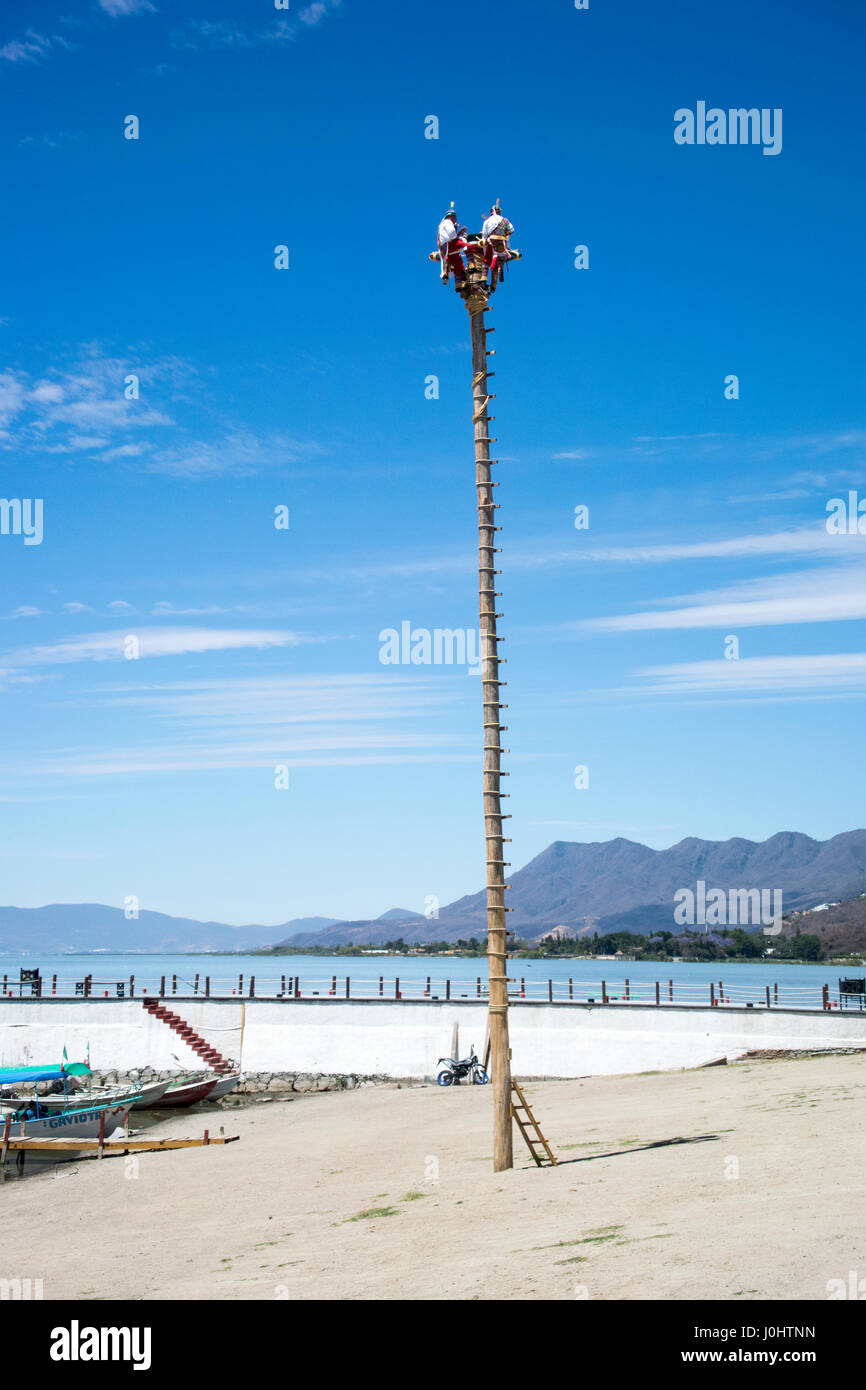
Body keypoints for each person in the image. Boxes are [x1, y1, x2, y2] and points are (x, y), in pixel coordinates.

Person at [481, 201, 515, 292]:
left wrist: (484, 241)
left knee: (486, 261)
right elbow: (512, 229)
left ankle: (483, 280)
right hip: (502, 244)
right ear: (499, 211)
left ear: (492, 212)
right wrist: (505, 234)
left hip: (491, 243)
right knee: (499, 262)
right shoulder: (505, 220)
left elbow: (484, 235)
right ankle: (493, 286)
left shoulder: (488, 221)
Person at [437, 204, 469, 287]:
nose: (456, 220)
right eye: (455, 217)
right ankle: (472, 265)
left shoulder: (443, 224)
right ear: (451, 216)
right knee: (470, 247)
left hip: (445, 248)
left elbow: (452, 236)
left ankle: (458, 284)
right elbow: (453, 236)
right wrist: (461, 232)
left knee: (457, 261)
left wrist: (459, 232)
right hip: (449, 246)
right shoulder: (447, 222)